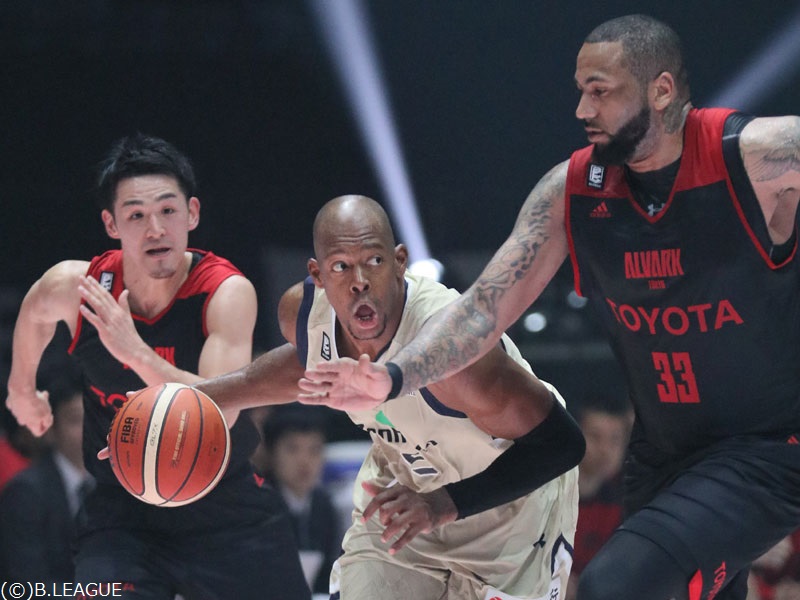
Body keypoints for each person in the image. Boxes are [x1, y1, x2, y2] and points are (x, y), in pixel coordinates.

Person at [298, 14, 800, 600]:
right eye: (581, 90)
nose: (582, 110)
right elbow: (483, 309)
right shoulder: (572, 191)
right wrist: (392, 377)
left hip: (765, 445)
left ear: (661, 90)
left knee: (614, 588)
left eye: (600, 91)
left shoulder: (759, 158)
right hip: (663, 448)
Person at [194, 194, 584, 599]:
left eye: (374, 261)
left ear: (400, 262)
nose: (359, 280)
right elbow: (302, 367)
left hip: (510, 514)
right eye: (340, 266)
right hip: (405, 501)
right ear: (318, 275)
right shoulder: (307, 318)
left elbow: (563, 444)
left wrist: (444, 503)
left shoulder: (456, 354)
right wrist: (200, 398)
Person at [5, 134, 309, 599]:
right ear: (111, 224)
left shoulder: (223, 292)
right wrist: (21, 389)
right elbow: (35, 310)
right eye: (136, 215)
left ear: (192, 214)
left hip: (225, 510)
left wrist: (135, 353)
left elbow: (219, 413)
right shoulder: (83, 286)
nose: (155, 229)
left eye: (168, 210)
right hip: (122, 517)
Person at [0, 375, 92, 585]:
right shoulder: (25, 492)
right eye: (76, 420)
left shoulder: (113, 484)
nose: (88, 429)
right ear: (50, 428)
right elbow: (26, 583)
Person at [261, 405, 342, 596]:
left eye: (314, 450)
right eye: (292, 449)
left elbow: (328, 573)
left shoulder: (324, 506)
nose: (304, 461)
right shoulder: (258, 504)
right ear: (272, 452)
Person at [566, 394, 632, 600]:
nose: (605, 450)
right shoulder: (548, 496)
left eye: (615, 439)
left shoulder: (626, 502)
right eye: (595, 436)